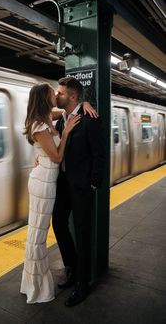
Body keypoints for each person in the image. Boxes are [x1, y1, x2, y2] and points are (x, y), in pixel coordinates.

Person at [20, 83, 81, 304]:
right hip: (43, 183)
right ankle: (35, 286)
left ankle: (31, 282)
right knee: (38, 235)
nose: (56, 95)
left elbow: (67, 109)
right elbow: (56, 157)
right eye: (52, 94)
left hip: (46, 179)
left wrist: (84, 103)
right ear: (45, 99)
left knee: (38, 232)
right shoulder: (39, 125)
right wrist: (64, 133)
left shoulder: (46, 115)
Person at [52, 76, 106, 307]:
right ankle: (72, 268)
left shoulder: (89, 120)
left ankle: (83, 284)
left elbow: (99, 155)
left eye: (61, 93)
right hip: (63, 183)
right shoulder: (61, 120)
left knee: (83, 233)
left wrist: (93, 183)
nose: (57, 95)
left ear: (73, 96)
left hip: (82, 186)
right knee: (59, 223)